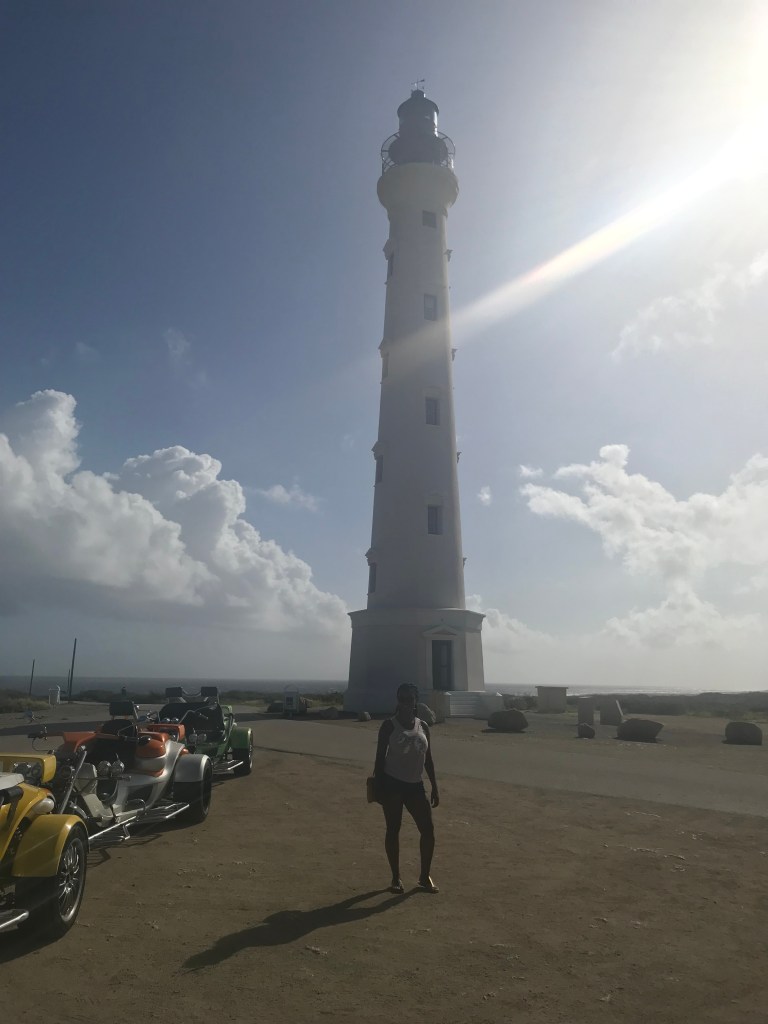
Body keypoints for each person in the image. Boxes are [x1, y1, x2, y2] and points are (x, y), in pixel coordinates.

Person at [373, 683, 439, 894]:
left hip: (416, 785)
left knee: (428, 830)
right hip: (392, 784)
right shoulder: (388, 726)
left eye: (409, 698)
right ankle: (396, 878)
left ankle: (424, 877)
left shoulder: (423, 726)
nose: (405, 702)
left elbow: (428, 759)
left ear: (416, 700)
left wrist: (435, 786)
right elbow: (379, 759)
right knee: (393, 829)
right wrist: (378, 787)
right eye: (401, 698)